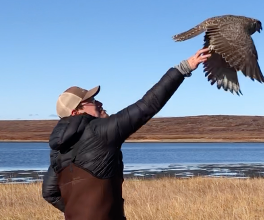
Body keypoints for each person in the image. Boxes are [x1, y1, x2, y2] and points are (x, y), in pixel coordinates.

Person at [42, 48, 211, 220]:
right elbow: (147, 106)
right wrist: (183, 68)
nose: (99, 102)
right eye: (91, 101)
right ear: (75, 111)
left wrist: (78, 213)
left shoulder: (57, 150)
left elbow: (49, 193)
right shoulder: (100, 132)